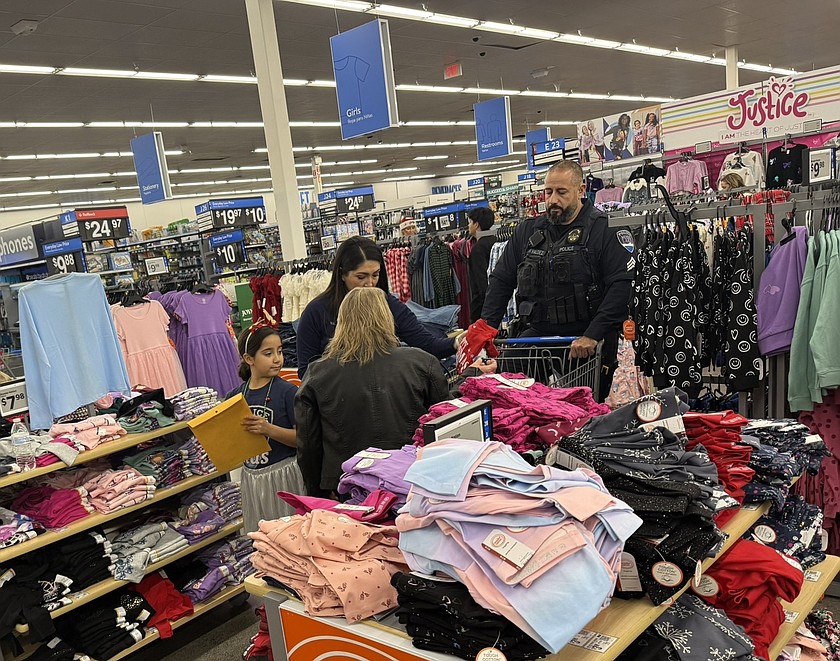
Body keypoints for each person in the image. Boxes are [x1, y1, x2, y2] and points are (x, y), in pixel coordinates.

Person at [480, 160, 634, 395]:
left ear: (581, 191)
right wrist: (487, 326)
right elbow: (502, 280)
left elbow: (622, 286)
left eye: (561, 192)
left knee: (583, 413)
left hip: (585, 344)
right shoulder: (528, 231)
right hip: (536, 338)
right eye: (548, 192)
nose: (552, 200)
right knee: (514, 404)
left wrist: (593, 335)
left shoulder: (605, 229)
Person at [295, 287, 452, 497]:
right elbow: (446, 424)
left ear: (342, 321)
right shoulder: (421, 362)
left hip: (347, 484)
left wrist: (317, 493)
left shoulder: (317, 373)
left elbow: (307, 444)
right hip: (412, 481)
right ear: (387, 317)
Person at [295, 236, 458, 379]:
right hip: (340, 405)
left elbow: (428, 344)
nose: (369, 283)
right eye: (361, 276)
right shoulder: (316, 312)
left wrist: (457, 342)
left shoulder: (389, 305)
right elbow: (306, 372)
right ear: (342, 274)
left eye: (375, 275)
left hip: (386, 397)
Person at [227, 324, 304, 532]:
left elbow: (302, 439)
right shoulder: (235, 397)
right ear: (249, 358)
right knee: (261, 537)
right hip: (251, 477)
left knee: (288, 535)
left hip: (283, 476)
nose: (278, 358)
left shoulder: (288, 392)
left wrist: (268, 429)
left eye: (280, 351)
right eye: (268, 353)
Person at [467, 206, 497, 323]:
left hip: (483, 310)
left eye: (470, 222)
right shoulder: (497, 241)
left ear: (476, 224)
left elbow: (481, 285)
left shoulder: (478, 249)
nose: (469, 226)